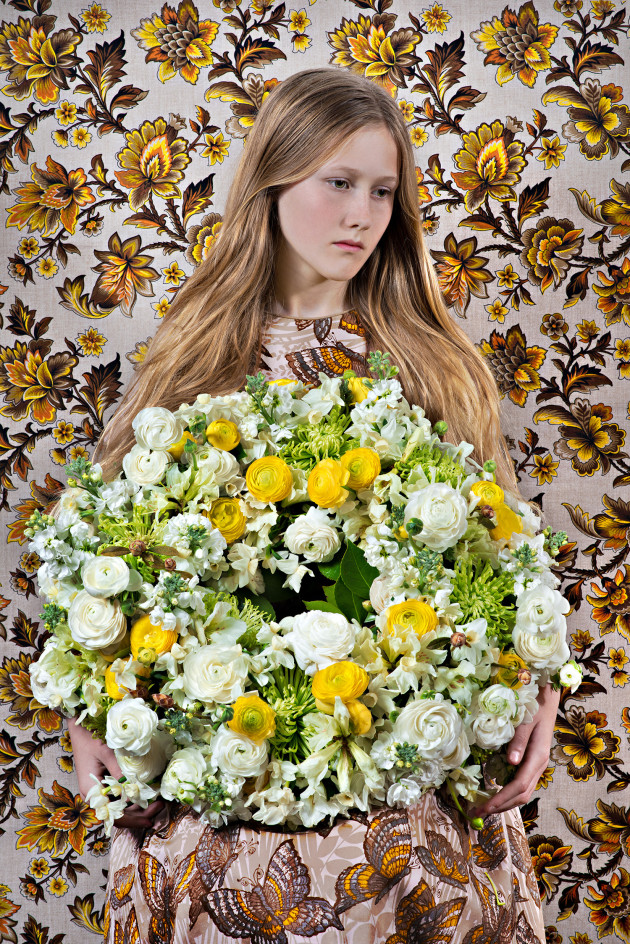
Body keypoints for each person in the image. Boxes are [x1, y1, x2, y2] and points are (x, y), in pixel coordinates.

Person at [64, 67, 558, 942]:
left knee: (405, 860)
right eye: (338, 183)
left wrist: (539, 697)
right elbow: (116, 564)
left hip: (405, 761)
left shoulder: (432, 364)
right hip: (222, 766)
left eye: (382, 191)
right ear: (275, 180)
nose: (362, 215)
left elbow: (505, 562)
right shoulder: (190, 363)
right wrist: (88, 717)